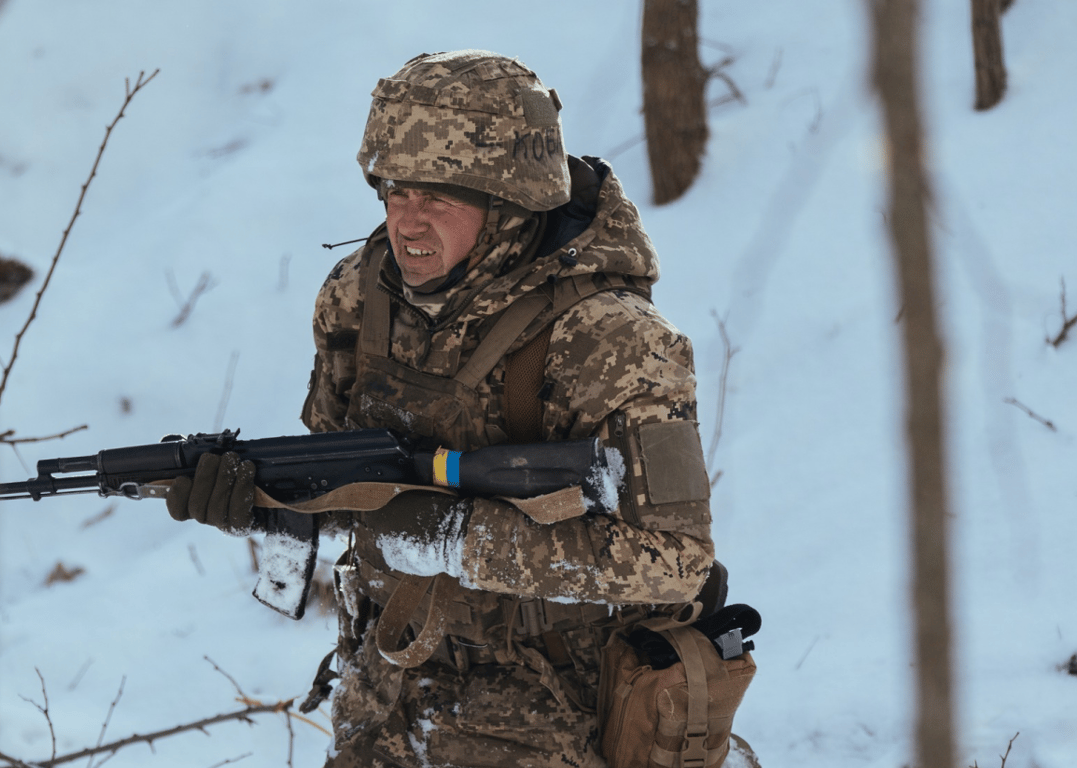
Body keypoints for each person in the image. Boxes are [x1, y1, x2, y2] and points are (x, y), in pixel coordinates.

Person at [168, 50, 725, 767]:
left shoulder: (610, 338)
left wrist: (457, 540)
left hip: (552, 720)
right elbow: (355, 489)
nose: (408, 222)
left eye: (440, 197)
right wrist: (265, 500)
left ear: (509, 201)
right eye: (395, 192)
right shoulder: (358, 298)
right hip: (383, 698)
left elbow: (676, 559)